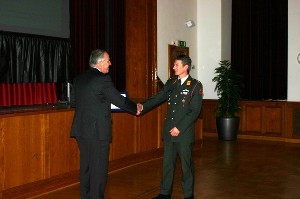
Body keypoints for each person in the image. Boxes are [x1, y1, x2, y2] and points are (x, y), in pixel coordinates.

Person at [70, 49, 141, 199]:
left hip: (81, 130)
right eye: (108, 61)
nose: (110, 64)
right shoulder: (102, 79)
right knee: (99, 170)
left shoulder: (79, 78)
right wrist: (136, 108)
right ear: (101, 62)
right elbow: (120, 100)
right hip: (97, 132)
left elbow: (74, 102)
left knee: (86, 167)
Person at [138, 54, 203, 199]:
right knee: (167, 164)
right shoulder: (171, 83)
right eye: (174, 65)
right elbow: (158, 97)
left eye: (177, 65)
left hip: (183, 133)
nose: (173, 67)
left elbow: (195, 111)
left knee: (186, 166)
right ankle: (165, 193)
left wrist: (179, 128)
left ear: (186, 67)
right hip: (169, 131)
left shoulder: (195, 85)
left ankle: (188, 195)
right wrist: (142, 106)